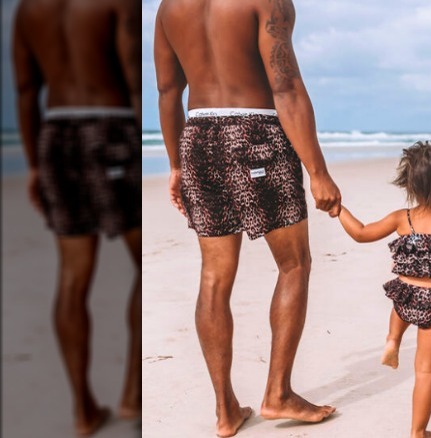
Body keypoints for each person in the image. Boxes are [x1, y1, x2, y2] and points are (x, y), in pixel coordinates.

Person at [154, 0, 340, 435]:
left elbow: (167, 92)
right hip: (256, 135)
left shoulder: (168, 7)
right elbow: (286, 87)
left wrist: (178, 165)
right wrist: (318, 172)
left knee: (214, 278)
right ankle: (278, 393)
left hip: (197, 138)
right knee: (294, 264)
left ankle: (225, 411)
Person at [12, 0, 142, 435]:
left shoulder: (29, 10)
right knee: (146, 264)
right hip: (112, 131)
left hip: (57, 139)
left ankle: (83, 410)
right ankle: (132, 394)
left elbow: (27, 91)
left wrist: (34, 164)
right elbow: (134, 78)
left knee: (72, 278)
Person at [337, 141, 431, 438]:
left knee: (402, 297)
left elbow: (361, 233)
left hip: (405, 297)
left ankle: (393, 339)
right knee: (426, 371)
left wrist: (338, 209)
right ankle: (417, 432)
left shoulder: (402, 219)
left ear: (412, 185)